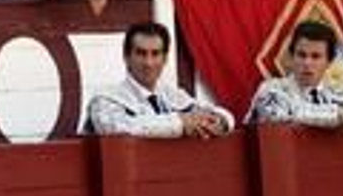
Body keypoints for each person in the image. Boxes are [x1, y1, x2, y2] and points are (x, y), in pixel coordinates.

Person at [85, 21, 236, 137]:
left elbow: (222, 114)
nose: (148, 63)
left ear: (165, 59)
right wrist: (179, 123)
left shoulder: (174, 96)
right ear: (126, 57)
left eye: (155, 54)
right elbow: (116, 128)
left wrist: (218, 121)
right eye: (141, 53)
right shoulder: (106, 99)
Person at [246, 20, 343, 142]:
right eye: (301, 55)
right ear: (291, 57)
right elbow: (276, 114)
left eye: (316, 56)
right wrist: (338, 113)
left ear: (329, 62)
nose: (307, 63)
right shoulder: (271, 89)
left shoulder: (335, 94)